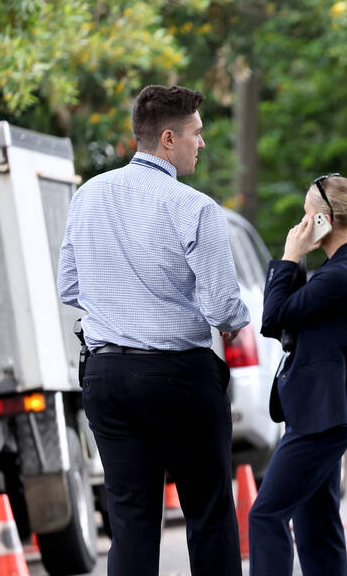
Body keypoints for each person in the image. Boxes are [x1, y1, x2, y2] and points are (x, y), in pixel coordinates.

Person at [57, 85, 250, 576]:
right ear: (169, 138)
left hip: (105, 376)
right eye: (196, 134)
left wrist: (120, 305)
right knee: (207, 511)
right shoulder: (195, 207)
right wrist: (237, 324)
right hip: (177, 377)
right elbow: (222, 305)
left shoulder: (88, 195)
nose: (201, 144)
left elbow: (70, 285)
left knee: (130, 519)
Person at [248, 174, 347, 576]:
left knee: (266, 515)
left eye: (307, 215)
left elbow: (274, 317)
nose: (301, 224)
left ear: (326, 219)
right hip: (322, 410)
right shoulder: (343, 266)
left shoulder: (341, 273)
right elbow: (293, 316)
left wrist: (289, 256)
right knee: (316, 525)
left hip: (322, 415)